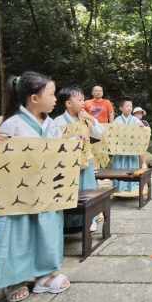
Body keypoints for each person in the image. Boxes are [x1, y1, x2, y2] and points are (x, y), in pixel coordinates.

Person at [0, 71, 70, 302]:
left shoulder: (51, 125)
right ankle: (13, 279)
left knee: (47, 230)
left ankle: (43, 274)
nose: (55, 98)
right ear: (34, 98)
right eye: (51, 94)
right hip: (16, 194)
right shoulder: (13, 123)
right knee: (17, 234)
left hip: (45, 191)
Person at [53, 86, 104, 233]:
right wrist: (74, 140)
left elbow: (100, 134)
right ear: (68, 103)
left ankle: (90, 219)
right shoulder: (58, 121)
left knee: (88, 189)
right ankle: (69, 222)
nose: (83, 102)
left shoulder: (86, 118)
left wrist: (92, 119)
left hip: (86, 161)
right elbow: (54, 143)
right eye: (80, 100)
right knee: (69, 191)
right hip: (67, 164)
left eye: (83, 99)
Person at [111, 97, 144, 193]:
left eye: (131, 106)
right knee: (119, 167)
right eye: (127, 106)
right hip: (120, 149)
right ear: (121, 108)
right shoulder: (117, 120)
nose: (129, 108)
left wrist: (141, 127)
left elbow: (141, 130)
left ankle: (131, 187)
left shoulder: (135, 120)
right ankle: (119, 187)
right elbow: (113, 133)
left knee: (131, 167)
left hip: (132, 148)